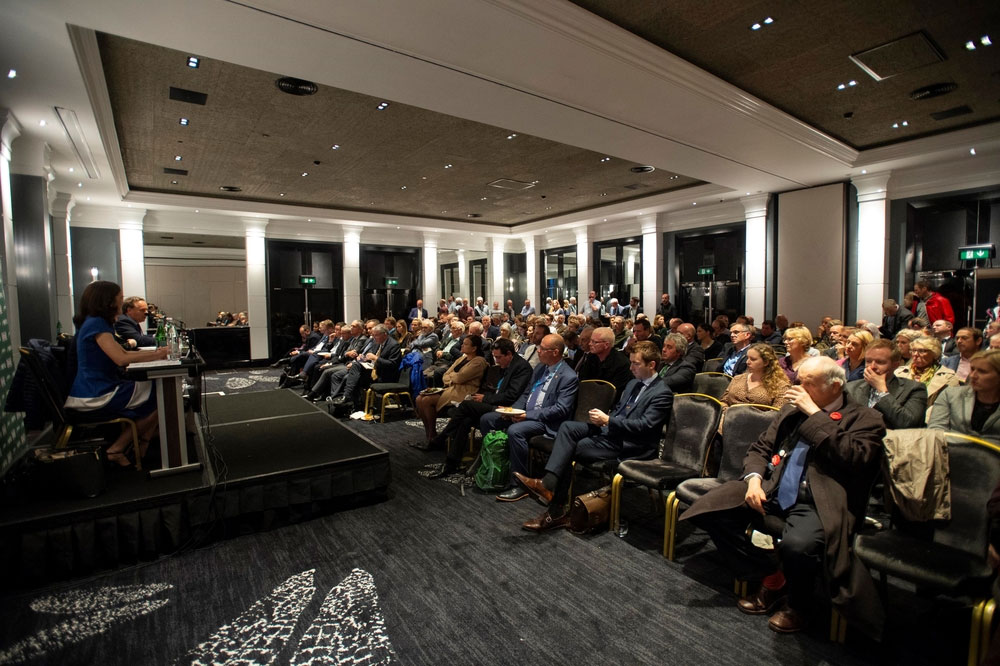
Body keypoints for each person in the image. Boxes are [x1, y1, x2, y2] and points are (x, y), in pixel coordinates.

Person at [681, 356, 886, 635]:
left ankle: (799, 605)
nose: (798, 388)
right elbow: (760, 448)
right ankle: (771, 573)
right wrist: (753, 480)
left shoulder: (866, 418)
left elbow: (854, 458)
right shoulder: (792, 409)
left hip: (816, 500)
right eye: (799, 380)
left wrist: (815, 415)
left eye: (808, 383)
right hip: (772, 487)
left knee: (797, 545)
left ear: (836, 385)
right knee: (708, 509)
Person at [514, 341, 674, 531]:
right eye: (630, 362)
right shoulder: (633, 384)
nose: (630, 368)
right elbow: (619, 411)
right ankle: (548, 487)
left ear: (652, 365)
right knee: (568, 428)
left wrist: (608, 421)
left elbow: (645, 426)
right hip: (612, 432)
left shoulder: (662, 393)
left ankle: (553, 508)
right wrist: (605, 420)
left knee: (568, 449)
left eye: (635, 364)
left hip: (632, 444)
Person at [65, 281, 170, 466]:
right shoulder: (97, 324)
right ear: (107, 301)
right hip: (96, 392)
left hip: (94, 388)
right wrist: (156, 354)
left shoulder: (92, 322)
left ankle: (140, 443)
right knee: (162, 395)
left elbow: (123, 353)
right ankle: (119, 448)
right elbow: (121, 358)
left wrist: (156, 354)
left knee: (157, 390)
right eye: (120, 299)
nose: (121, 303)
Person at [478, 334, 579, 502]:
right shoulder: (540, 368)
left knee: (515, 431)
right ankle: (498, 465)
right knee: (488, 419)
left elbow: (560, 409)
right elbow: (526, 394)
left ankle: (519, 483)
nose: (537, 351)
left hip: (546, 422)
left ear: (555, 352)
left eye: (542, 349)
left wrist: (526, 415)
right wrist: (513, 411)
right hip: (526, 415)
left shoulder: (568, 377)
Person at [423, 338, 532, 471]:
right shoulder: (506, 364)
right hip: (495, 402)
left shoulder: (521, 367)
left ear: (509, 354)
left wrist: (485, 398)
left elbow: (511, 395)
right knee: (465, 419)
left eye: (499, 357)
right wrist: (485, 396)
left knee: (466, 406)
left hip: (506, 407)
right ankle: (452, 462)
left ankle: (441, 439)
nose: (496, 361)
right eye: (495, 357)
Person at [413, 335, 488, 445]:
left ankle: (433, 437)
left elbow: (460, 377)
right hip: (452, 388)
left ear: (474, 348)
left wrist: (453, 377)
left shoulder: (479, 361)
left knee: (426, 400)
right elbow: (445, 375)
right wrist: (454, 378)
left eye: (466, 344)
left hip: (465, 392)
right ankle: (429, 434)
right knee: (419, 398)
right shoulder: (462, 358)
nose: (462, 345)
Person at [844, 339, 927, 429]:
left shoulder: (915, 389)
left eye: (880, 362)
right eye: (868, 361)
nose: (872, 367)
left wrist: (882, 391)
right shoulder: (850, 388)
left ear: (895, 365)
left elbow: (908, 423)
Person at [928, 350, 1000, 439]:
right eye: (972, 369)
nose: (973, 375)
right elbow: (936, 430)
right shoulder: (950, 395)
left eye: (982, 371)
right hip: (951, 449)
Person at [329, 324, 402, 411]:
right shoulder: (376, 342)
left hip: (385, 375)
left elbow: (393, 364)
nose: (374, 337)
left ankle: (347, 400)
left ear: (385, 334)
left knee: (351, 376)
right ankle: (350, 403)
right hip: (373, 370)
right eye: (373, 335)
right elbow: (369, 358)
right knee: (353, 370)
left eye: (376, 335)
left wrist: (376, 358)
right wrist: (362, 359)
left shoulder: (394, 345)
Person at [894, 335, 960, 414]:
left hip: (930, 419)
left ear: (934, 353)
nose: (915, 354)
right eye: (913, 350)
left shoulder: (948, 376)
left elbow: (950, 404)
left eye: (921, 351)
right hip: (898, 416)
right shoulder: (898, 373)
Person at [721, 343, 790, 409]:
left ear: (766, 362)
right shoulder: (738, 378)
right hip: (730, 417)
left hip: (759, 420)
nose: (747, 362)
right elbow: (724, 401)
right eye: (747, 358)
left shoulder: (780, 386)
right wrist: (725, 411)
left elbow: (777, 413)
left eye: (753, 359)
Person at [577, 326, 632, 400]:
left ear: (606, 345)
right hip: (588, 398)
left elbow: (615, 393)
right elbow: (583, 380)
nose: (590, 344)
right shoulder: (591, 356)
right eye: (590, 341)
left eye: (594, 342)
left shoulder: (622, 364)